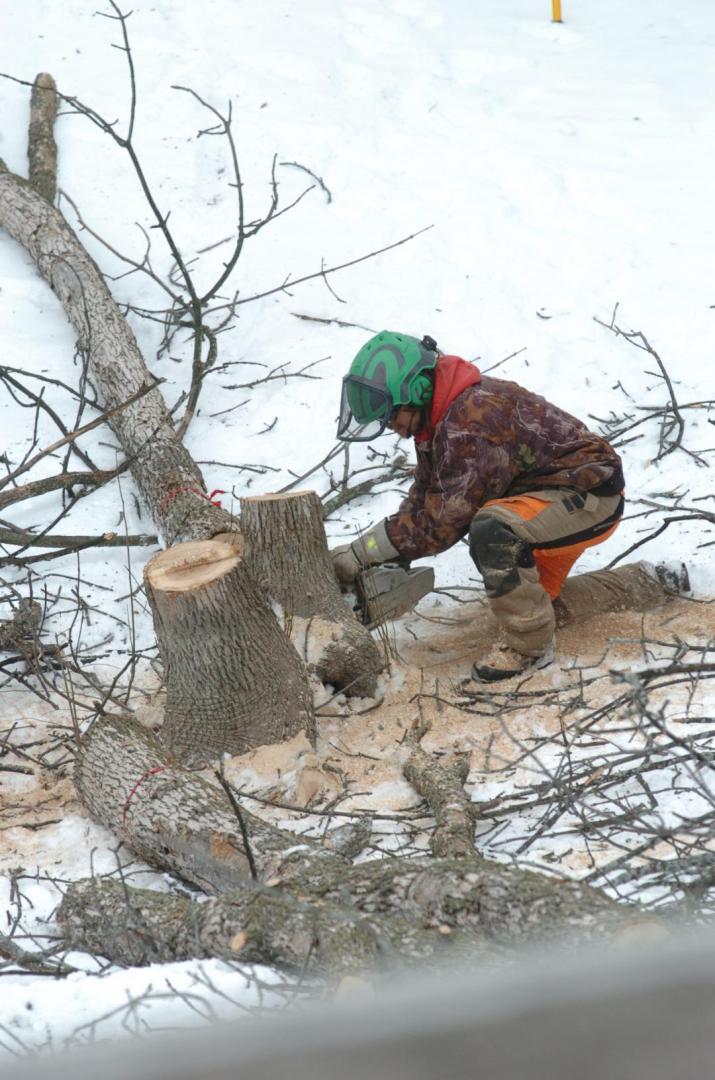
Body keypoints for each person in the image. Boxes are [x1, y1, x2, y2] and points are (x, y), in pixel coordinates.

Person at [330, 330, 625, 682]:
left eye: (393, 417)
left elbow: (442, 524)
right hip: (546, 499)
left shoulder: (468, 423)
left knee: (492, 531)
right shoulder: (440, 417)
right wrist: (381, 549)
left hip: (588, 496)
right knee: (543, 607)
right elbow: (427, 494)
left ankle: (528, 648)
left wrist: (363, 553)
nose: (393, 428)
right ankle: (648, 581)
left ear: (418, 391)